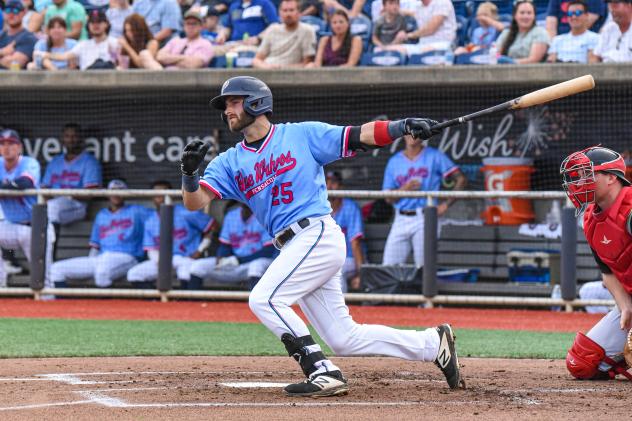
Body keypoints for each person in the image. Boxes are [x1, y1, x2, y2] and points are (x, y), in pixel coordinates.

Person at [180, 76, 463, 397]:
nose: (227, 110)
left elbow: (358, 136)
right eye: (225, 105)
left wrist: (403, 126)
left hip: (315, 233)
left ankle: (321, 371)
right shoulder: (229, 160)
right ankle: (431, 343)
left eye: (233, 102)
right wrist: (190, 175)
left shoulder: (300, 134)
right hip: (292, 246)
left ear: (256, 103)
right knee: (343, 337)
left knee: (265, 299)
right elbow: (195, 201)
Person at [560, 146, 632, 381]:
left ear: (612, 177)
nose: (580, 182)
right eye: (579, 176)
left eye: (588, 174)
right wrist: (625, 307)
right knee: (582, 362)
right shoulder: (591, 219)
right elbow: (608, 273)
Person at [381, 134, 466, 267]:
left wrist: (446, 205)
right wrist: (405, 189)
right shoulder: (394, 161)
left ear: (423, 136)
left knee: (424, 267)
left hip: (425, 217)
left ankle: (425, 289)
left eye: (416, 132)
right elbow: (388, 199)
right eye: (408, 132)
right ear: (403, 135)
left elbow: (461, 179)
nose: (412, 136)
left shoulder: (434, 156)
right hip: (401, 218)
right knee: (389, 266)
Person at [50, 179, 147, 288]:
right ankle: (64, 304)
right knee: (56, 269)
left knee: (102, 273)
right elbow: (95, 245)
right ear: (107, 193)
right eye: (113, 190)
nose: (116, 194)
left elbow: (159, 218)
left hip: (128, 257)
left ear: (126, 193)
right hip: (101, 258)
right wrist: (89, 265)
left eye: (120, 190)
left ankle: (108, 305)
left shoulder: (138, 211)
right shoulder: (101, 215)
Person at [127, 180, 215, 289]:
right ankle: (156, 302)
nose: (161, 196)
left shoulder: (186, 212)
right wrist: (160, 262)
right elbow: (151, 249)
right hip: (162, 260)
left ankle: (186, 303)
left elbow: (212, 226)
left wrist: (200, 250)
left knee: (186, 273)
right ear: (152, 197)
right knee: (134, 274)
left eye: (164, 192)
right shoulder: (150, 220)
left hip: (185, 258)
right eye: (157, 194)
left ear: (172, 194)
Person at [0, 128, 55, 289]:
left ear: (19, 147)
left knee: (44, 282)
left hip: (36, 229)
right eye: (2, 144)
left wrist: (5, 186)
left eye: (11, 143)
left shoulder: (29, 163)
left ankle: (49, 309)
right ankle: (1, 283)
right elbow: (15, 185)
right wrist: (9, 186)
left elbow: (25, 183)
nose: (6, 147)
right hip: (11, 226)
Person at [188, 203, 274, 290]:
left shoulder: (264, 216)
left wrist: (239, 260)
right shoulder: (231, 215)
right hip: (235, 263)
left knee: (256, 266)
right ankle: (192, 302)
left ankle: (255, 301)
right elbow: (225, 245)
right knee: (198, 266)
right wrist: (221, 256)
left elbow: (268, 251)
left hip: (258, 262)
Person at [41, 123, 102, 226]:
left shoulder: (89, 161)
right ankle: (48, 241)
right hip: (54, 204)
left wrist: (66, 195)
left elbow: (91, 193)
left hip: (77, 206)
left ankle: (46, 241)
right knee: (42, 209)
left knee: (52, 208)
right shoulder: (55, 162)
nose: (70, 140)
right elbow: (44, 188)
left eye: (74, 136)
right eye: (67, 136)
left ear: (81, 139)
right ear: (62, 140)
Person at [40, 9, 120, 70]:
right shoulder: (83, 45)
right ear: (88, 26)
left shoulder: (115, 43)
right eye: (92, 22)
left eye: (99, 22)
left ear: (106, 24)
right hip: (87, 83)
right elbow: (64, 56)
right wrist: (44, 54)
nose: (96, 25)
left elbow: (121, 65)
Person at [326, 171, 364, 292]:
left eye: (333, 182)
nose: (329, 186)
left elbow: (356, 243)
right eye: (326, 182)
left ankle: (341, 308)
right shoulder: (319, 209)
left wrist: (361, 274)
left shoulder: (350, 207)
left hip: (349, 259)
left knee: (337, 270)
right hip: (328, 258)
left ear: (341, 187)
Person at [252, 0, 316, 69]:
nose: (288, 14)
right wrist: (267, 67)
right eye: (285, 10)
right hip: (268, 70)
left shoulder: (307, 31)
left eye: (291, 10)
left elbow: (307, 63)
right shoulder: (272, 29)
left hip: (293, 74)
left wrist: (281, 68)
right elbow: (257, 60)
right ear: (280, 13)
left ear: (299, 13)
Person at [142, 10, 214, 69]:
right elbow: (159, 57)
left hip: (190, 79)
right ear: (184, 26)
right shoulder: (175, 41)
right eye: (188, 23)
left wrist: (169, 59)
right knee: (145, 54)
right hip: (165, 76)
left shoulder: (206, 44)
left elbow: (194, 64)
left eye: (194, 24)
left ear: (201, 26)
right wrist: (185, 58)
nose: (191, 26)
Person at [0, 0, 38, 70]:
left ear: (24, 13)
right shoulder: (1, 36)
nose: (11, 14)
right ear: (4, 13)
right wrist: (3, 52)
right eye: (8, 10)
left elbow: (13, 63)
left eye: (15, 11)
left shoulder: (28, 38)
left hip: (14, 79)